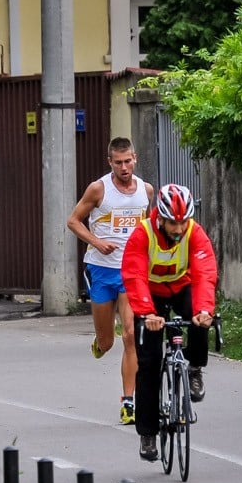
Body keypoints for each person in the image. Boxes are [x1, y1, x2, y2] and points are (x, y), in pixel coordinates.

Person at [121, 183, 217, 462]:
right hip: (150, 294)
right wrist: (147, 314)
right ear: (159, 218)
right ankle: (148, 433)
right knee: (149, 362)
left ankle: (195, 367)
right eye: (173, 223)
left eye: (183, 222)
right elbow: (134, 276)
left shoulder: (195, 234)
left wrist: (203, 310)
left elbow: (204, 274)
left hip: (182, 287)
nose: (178, 229)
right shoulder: (142, 234)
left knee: (200, 321)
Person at [67, 137, 155, 425]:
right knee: (108, 342)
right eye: (118, 162)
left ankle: (128, 401)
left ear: (135, 158)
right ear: (110, 163)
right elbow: (73, 221)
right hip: (101, 269)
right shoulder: (98, 189)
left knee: (130, 334)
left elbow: (148, 225)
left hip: (131, 271)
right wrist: (97, 241)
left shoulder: (146, 191)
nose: (124, 167)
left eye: (128, 160)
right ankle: (100, 343)